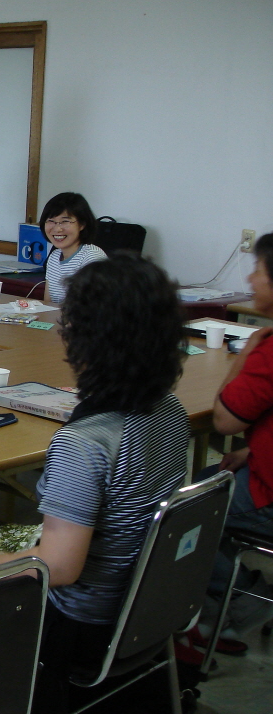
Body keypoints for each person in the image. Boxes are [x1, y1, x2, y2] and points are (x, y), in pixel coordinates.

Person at [0, 254, 189, 714]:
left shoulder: (84, 442)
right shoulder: (171, 411)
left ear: (85, 340)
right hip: (146, 609)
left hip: (79, 624)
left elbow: (59, 569)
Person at [194, 231, 273, 649]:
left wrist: (246, 353)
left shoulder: (269, 351)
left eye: (258, 269)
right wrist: (252, 449)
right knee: (209, 476)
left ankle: (241, 600)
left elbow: (224, 420)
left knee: (173, 508)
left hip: (269, 492)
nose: (251, 280)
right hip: (261, 466)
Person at [39, 192, 106, 304]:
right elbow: (48, 304)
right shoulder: (54, 257)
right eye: (51, 221)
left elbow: (93, 308)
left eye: (65, 221)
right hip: (58, 320)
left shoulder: (92, 257)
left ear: (82, 224)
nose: (57, 229)